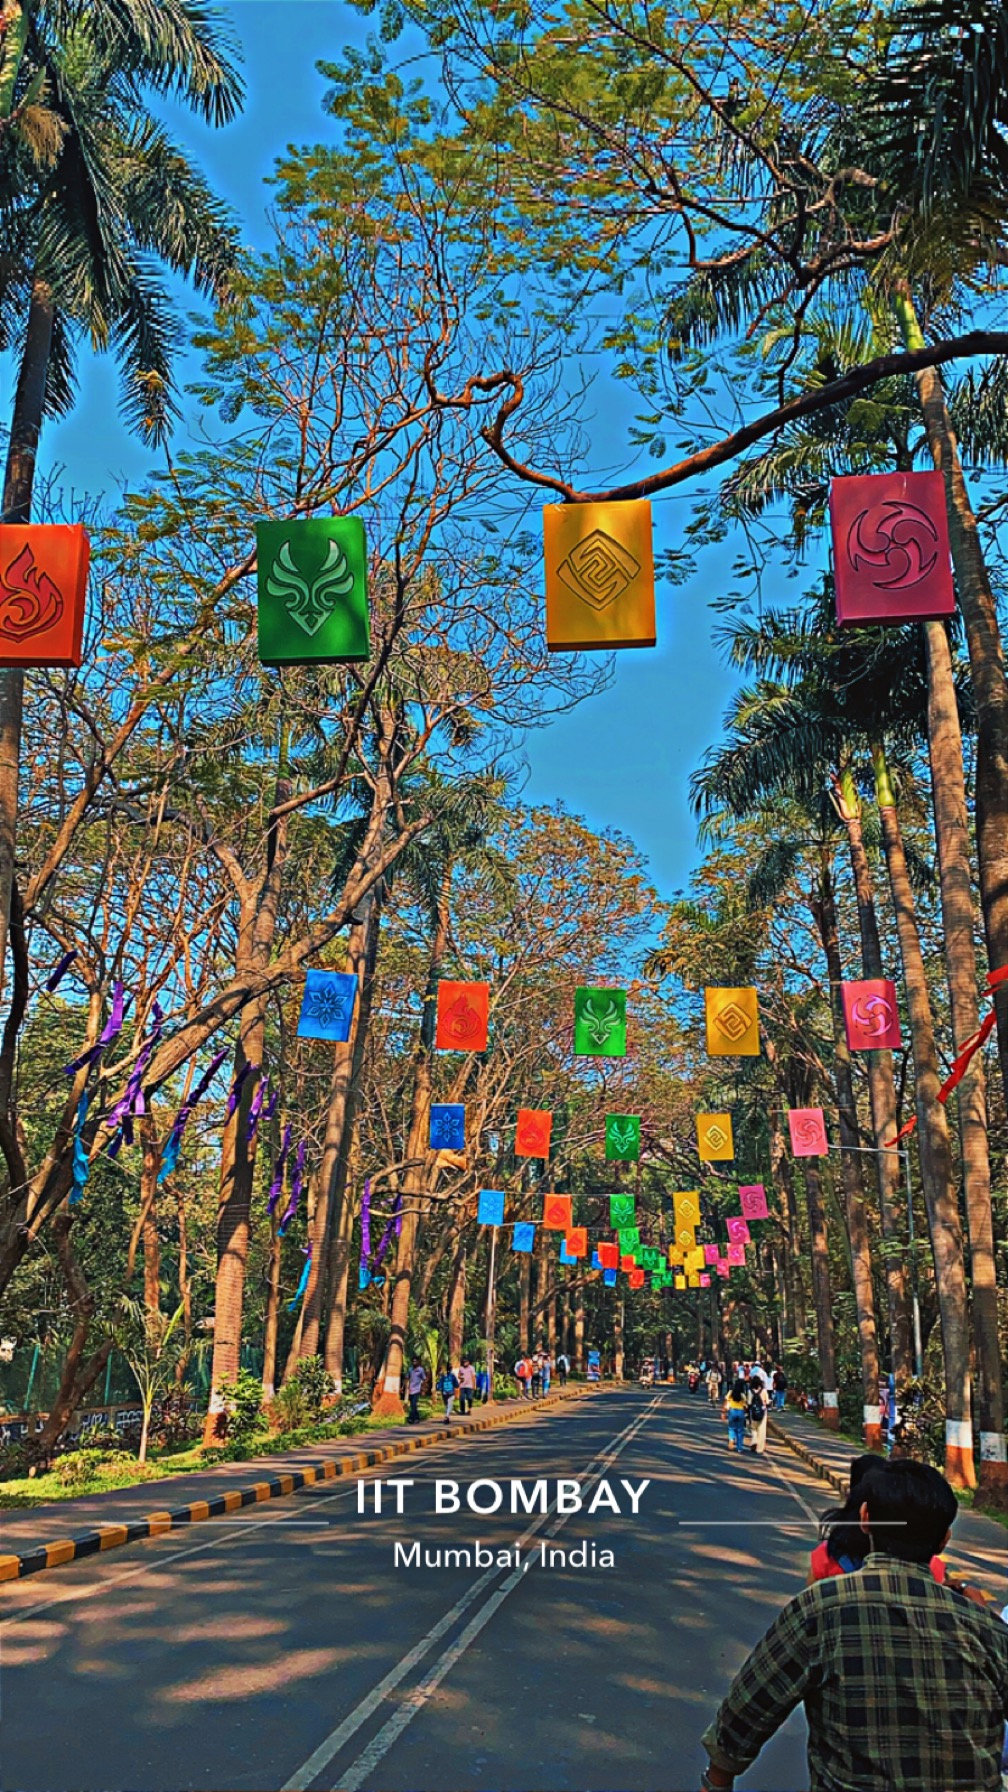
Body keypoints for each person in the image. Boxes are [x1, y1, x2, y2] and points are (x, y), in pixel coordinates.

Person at [700, 1458, 1008, 1792]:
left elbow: (752, 1704)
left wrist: (717, 1782)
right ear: (944, 1540)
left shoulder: (821, 1608)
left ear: (864, 1520)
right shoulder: (984, 1627)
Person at [723, 1378, 748, 1453]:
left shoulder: (730, 1392)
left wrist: (723, 1412)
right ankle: (739, 1448)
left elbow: (726, 1401)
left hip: (732, 1411)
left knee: (731, 1428)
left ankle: (731, 1439)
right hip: (740, 1412)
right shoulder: (742, 1394)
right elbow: (745, 1405)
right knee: (740, 1430)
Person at [747, 1377, 768, 1455]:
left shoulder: (750, 1391)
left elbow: (749, 1403)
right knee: (761, 1430)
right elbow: (767, 1402)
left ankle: (754, 1440)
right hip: (762, 1412)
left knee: (753, 1428)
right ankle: (759, 1449)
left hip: (753, 1412)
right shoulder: (764, 1391)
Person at [406, 1356, 426, 1425]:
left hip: (417, 1389)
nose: (414, 1362)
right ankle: (415, 1417)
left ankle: (412, 1418)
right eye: (413, 1361)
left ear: (418, 1362)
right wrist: (404, 1387)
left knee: (414, 1404)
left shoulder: (421, 1370)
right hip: (411, 1389)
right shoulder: (410, 1369)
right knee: (412, 1405)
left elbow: (424, 1379)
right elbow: (407, 1378)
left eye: (415, 1361)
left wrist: (423, 1389)